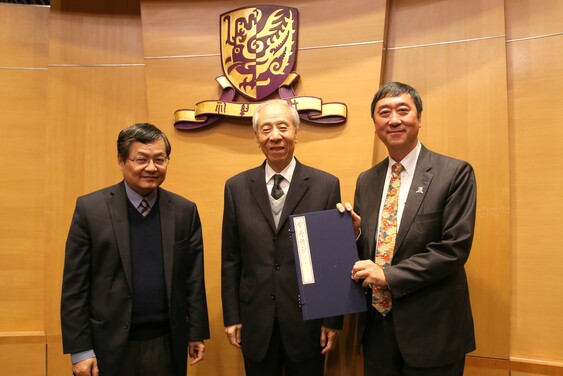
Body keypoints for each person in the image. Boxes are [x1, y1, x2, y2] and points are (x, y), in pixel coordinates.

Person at [338, 82, 476, 375]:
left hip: (433, 330)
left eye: (403, 110)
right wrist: (356, 235)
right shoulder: (367, 180)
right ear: (375, 124)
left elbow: (454, 249)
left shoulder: (454, 173)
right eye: (384, 112)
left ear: (419, 117)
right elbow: (372, 253)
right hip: (377, 330)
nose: (394, 119)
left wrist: (388, 275)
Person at [61, 123, 210, 376]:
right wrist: (81, 350)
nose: (151, 168)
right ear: (121, 161)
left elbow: (193, 279)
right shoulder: (91, 209)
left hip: (166, 342)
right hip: (108, 345)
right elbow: (75, 287)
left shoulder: (185, 211)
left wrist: (196, 332)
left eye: (160, 160)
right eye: (141, 159)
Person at [221, 99, 342, 376]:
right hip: (255, 321)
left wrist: (332, 319)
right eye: (266, 129)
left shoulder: (326, 185)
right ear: (256, 137)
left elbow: (331, 259)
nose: (275, 136)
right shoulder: (236, 187)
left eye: (283, 127)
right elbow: (231, 259)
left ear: (296, 133)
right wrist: (232, 316)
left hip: (308, 321)